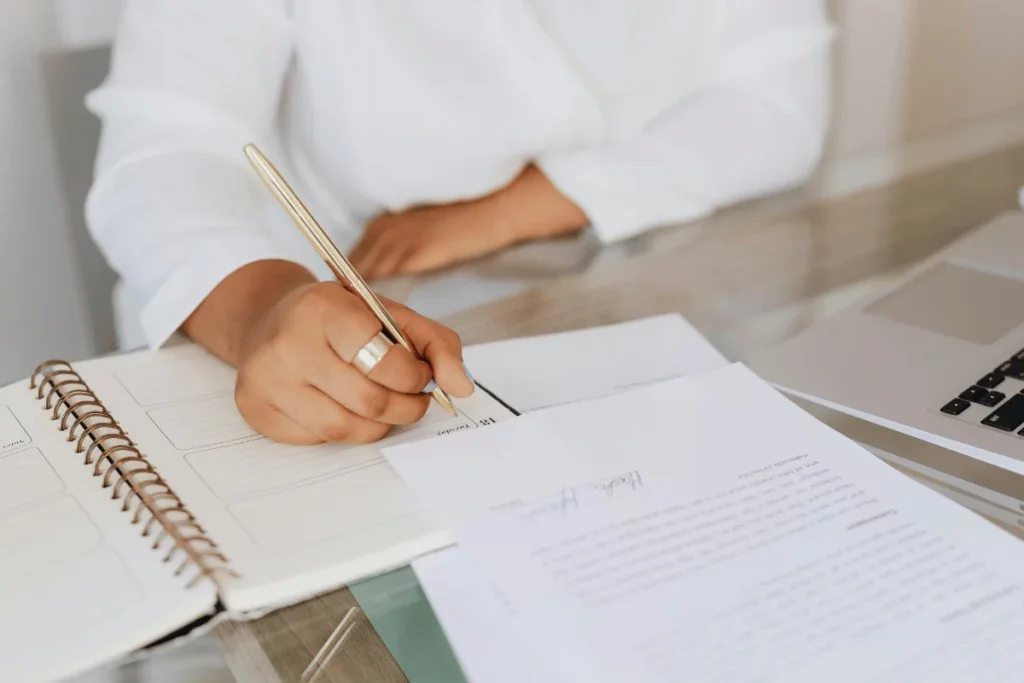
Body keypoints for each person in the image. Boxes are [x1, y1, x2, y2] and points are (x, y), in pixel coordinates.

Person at [85, 0, 832, 445]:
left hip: (667, 306)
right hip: (334, 316)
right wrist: (260, 308)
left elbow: (778, 102)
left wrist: (517, 206)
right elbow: (168, 142)